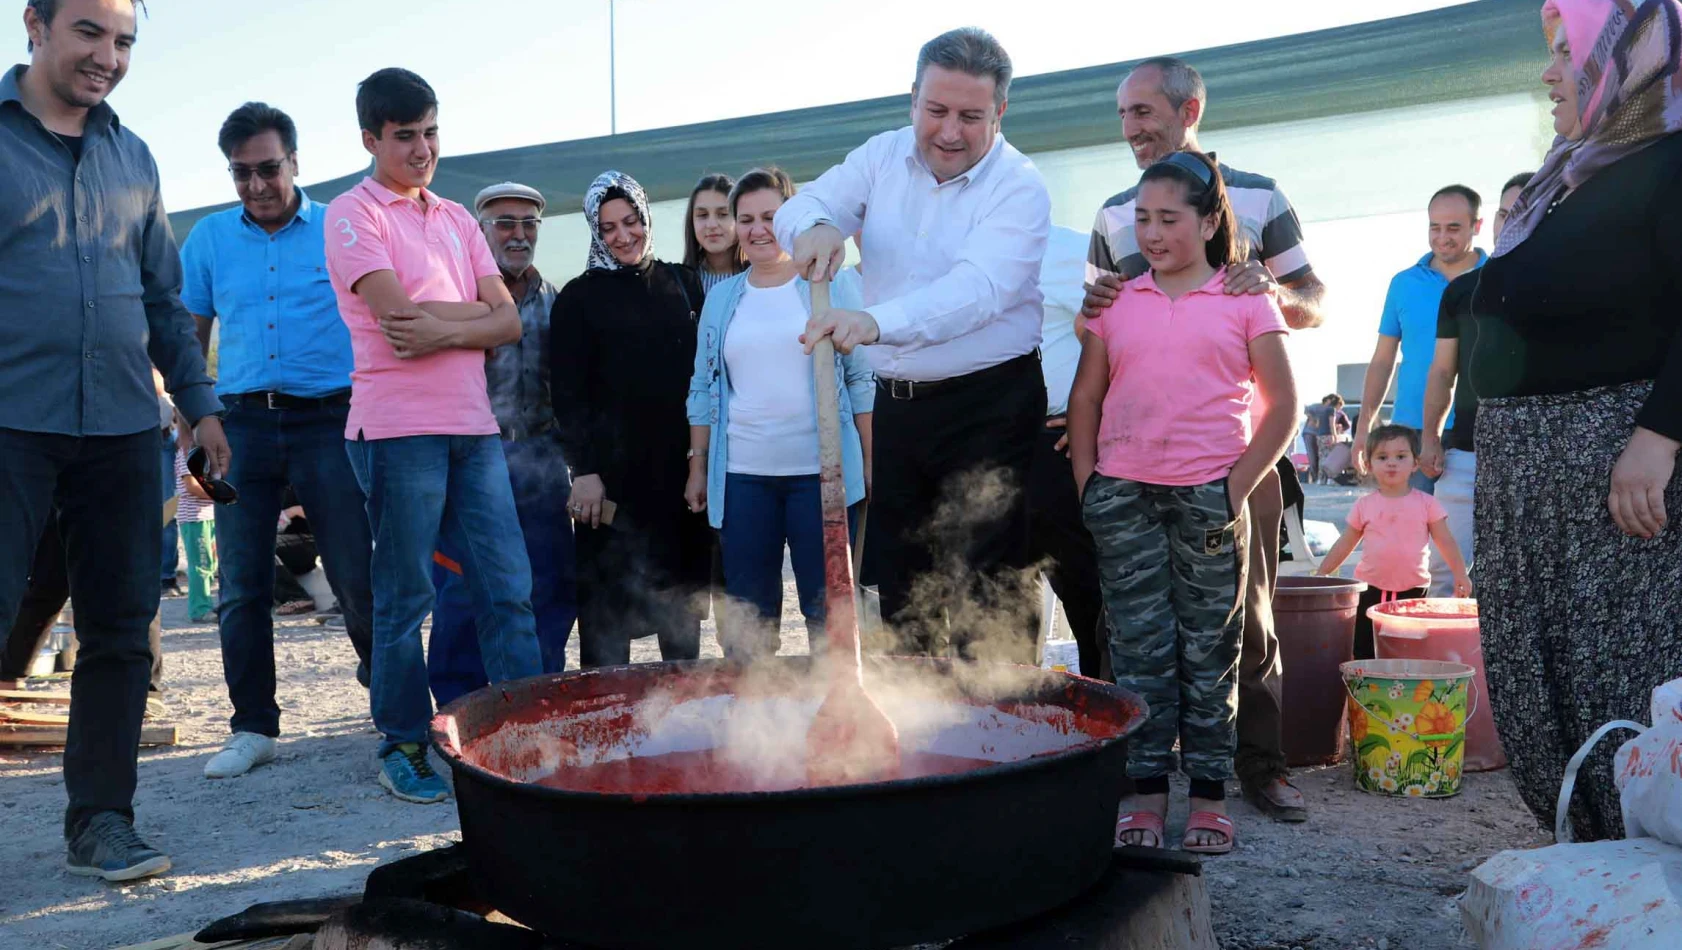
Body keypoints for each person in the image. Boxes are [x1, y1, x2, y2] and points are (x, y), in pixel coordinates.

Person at [0, 0, 231, 882]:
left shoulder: (133, 158)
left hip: (125, 427)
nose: (108, 56)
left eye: (125, 40)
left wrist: (200, 406)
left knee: (122, 631)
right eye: (90, 33)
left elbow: (164, 300)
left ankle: (101, 820)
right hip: (10, 422)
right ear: (35, 23)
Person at [1080, 56, 1324, 823]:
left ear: (1190, 110)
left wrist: (1268, 289)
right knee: (1131, 628)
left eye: (1145, 111)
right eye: (1123, 115)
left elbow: (1312, 298)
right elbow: (1100, 325)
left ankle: (1256, 768)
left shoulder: (1260, 194)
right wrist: (1090, 469)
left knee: (1243, 623)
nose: (1132, 128)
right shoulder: (1115, 212)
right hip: (1133, 466)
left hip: (1233, 459)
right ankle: (1138, 777)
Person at [1469, 0, 1682, 842]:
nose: (1551, 72)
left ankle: (1643, 869)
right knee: (1538, 672)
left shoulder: (1672, 162)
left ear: (1628, 59)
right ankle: (1585, 858)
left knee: (1615, 674)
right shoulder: (1572, 171)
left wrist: (1658, 438)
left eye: (1569, 53)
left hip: (1613, 465)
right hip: (1533, 471)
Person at [779, 27, 1052, 663]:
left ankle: (1000, 744)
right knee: (898, 583)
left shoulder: (1020, 186)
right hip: (899, 409)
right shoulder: (880, 156)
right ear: (912, 101)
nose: (950, 132)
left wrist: (872, 322)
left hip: (992, 407)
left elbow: (979, 289)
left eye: (970, 116)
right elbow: (810, 202)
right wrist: (815, 226)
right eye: (936, 111)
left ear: (1000, 112)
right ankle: (913, 736)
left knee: (989, 584)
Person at [324, 68, 542, 804]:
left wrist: (446, 324)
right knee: (406, 596)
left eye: (431, 132)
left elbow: (507, 321)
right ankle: (403, 739)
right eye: (406, 136)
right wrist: (473, 323)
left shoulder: (454, 219)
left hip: (472, 429)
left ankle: (526, 732)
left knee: (507, 588)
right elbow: (396, 324)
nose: (423, 149)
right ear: (371, 139)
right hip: (395, 431)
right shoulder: (352, 215)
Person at [179, 101, 379, 780]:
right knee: (239, 584)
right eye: (242, 174)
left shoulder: (340, 227)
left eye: (268, 169)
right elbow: (188, 342)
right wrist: (193, 425)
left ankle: (392, 701)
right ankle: (253, 726)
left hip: (332, 418)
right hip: (241, 425)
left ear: (296, 161)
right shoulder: (207, 239)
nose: (257, 185)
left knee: (355, 571)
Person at [684, 167, 873, 658]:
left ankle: (835, 722)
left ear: (792, 219)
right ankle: (756, 725)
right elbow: (703, 386)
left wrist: (871, 464)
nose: (757, 229)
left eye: (770, 216)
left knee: (828, 612)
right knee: (749, 618)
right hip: (743, 479)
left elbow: (861, 379)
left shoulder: (829, 284)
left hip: (823, 479)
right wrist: (698, 466)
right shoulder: (723, 298)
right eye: (745, 219)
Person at [552, 171, 712, 666]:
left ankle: (684, 720)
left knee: (679, 616)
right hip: (610, 489)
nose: (622, 236)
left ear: (645, 217)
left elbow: (704, 381)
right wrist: (584, 473)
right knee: (605, 623)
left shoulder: (684, 284)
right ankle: (605, 730)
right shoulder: (577, 299)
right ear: (594, 232)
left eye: (630, 221)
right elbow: (568, 394)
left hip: (678, 480)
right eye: (607, 228)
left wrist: (698, 465)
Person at [426, 181, 576, 707]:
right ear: (480, 230)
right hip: (473, 461)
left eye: (528, 223)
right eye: (504, 223)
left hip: (542, 459)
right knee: (463, 591)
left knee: (550, 586)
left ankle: (540, 700)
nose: (518, 234)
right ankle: (459, 708)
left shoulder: (557, 300)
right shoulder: (458, 297)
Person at [1418, 173, 1532, 597]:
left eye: (1520, 212)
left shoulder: (1571, 288)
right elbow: (1442, 372)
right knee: (1445, 573)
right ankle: (1440, 661)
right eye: (1504, 213)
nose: (1510, 222)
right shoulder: (1461, 291)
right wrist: (1430, 436)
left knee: (1520, 581)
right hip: (1464, 452)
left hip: (1535, 457)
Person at [1353, 185, 1486, 485]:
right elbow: (1382, 361)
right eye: (1434, 227)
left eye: (1453, 228)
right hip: (1409, 432)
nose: (1442, 237)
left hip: (1477, 429)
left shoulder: (1496, 278)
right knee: (1412, 528)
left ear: (1477, 226)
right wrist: (1364, 428)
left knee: (1468, 530)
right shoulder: (1403, 283)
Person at [1313, 425, 1471, 659]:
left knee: (1408, 649)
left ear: (1415, 463)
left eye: (1401, 456)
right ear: (1369, 464)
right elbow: (1345, 543)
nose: (1391, 463)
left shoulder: (1427, 504)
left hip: (1413, 590)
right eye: (1382, 457)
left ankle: (1401, 692)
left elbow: (1445, 541)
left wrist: (1460, 574)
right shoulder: (1364, 505)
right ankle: (1365, 691)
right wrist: (1322, 573)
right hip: (1370, 588)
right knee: (1363, 649)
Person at [1027, 226, 1105, 677]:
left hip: (1056, 442)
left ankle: (1107, 709)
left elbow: (1121, 334)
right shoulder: (960, 252)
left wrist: (1097, 416)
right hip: (992, 441)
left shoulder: (1067, 251)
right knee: (1007, 600)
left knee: (1084, 591)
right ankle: (1015, 720)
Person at [172, 447, 219, 624]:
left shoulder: (206, 450)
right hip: (195, 517)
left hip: (210, 515)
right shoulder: (187, 451)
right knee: (201, 563)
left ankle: (206, 604)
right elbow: (191, 485)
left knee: (211, 563)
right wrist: (219, 495)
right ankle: (200, 609)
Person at [684, 173, 746, 293]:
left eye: (723, 214)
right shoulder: (679, 283)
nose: (711, 224)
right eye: (703, 215)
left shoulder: (758, 278)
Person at [1301, 395, 1347, 485]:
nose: (1339, 410)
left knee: (1321, 456)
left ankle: (1320, 479)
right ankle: (1328, 478)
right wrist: (1335, 435)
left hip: (1319, 435)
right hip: (1325, 435)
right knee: (1327, 457)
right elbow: (1331, 424)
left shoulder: (1323, 410)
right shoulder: (1330, 410)